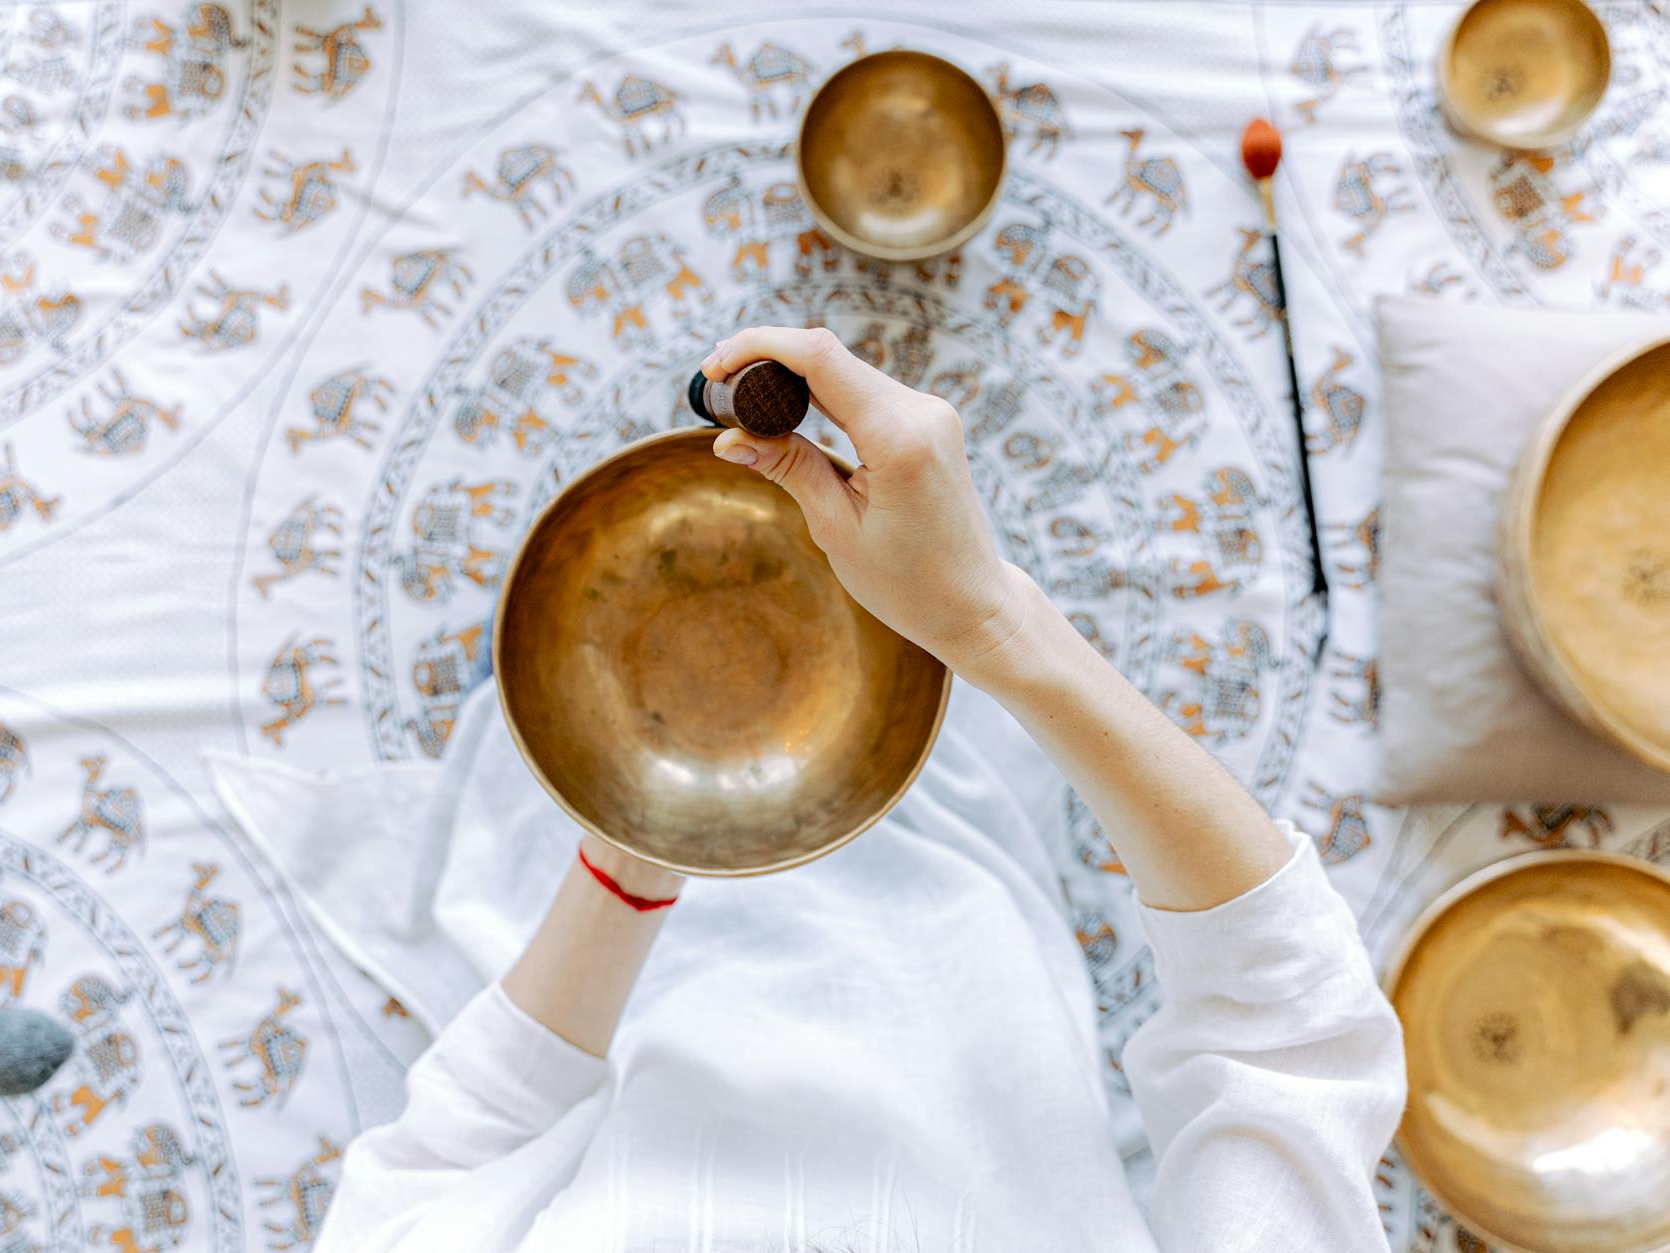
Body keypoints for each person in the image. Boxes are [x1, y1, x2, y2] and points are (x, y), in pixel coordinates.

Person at [316, 327, 1407, 1252]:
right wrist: (989, 621)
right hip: (953, 948)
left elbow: (453, 1155)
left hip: (641, 941)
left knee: (522, 697)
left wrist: (628, 850)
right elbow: (1283, 1034)